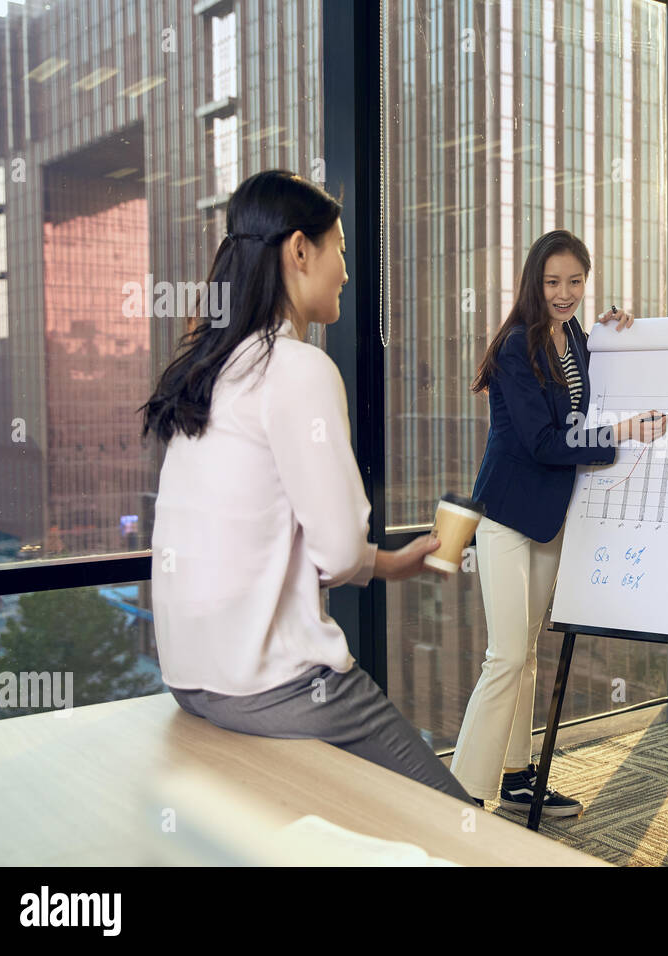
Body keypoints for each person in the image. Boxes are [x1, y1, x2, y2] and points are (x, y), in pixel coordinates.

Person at [142, 170, 471, 802]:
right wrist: (361, 559)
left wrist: (385, 564)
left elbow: (264, 534)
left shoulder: (211, 368)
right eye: (340, 249)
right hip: (278, 686)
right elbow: (340, 552)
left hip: (193, 680)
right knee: (459, 822)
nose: (346, 270)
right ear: (299, 250)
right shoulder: (296, 367)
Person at [453, 229, 666, 814]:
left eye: (575, 282)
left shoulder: (575, 336)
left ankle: (519, 778)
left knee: (527, 650)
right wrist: (621, 433)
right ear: (533, 283)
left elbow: (593, 392)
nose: (564, 293)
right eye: (553, 283)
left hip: (548, 516)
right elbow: (546, 441)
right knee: (506, 654)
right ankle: (463, 794)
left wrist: (616, 330)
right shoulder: (517, 346)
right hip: (503, 513)